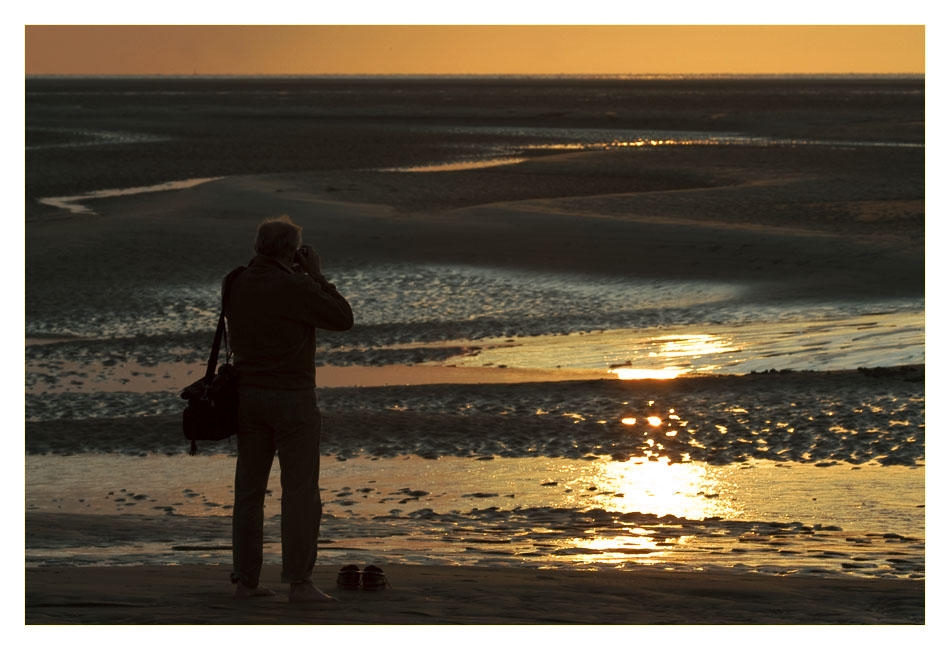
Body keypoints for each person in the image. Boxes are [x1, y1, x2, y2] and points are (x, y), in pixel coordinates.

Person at [224, 215, 354, 602]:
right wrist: (317, 275)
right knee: (299, 492)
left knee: (248, 492)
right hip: (292, 399)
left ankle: (246, 582)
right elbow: (342, 318)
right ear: (289, 251)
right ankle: (299, 581)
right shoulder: (295, 286)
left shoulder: (235, 282)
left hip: (247, 398)